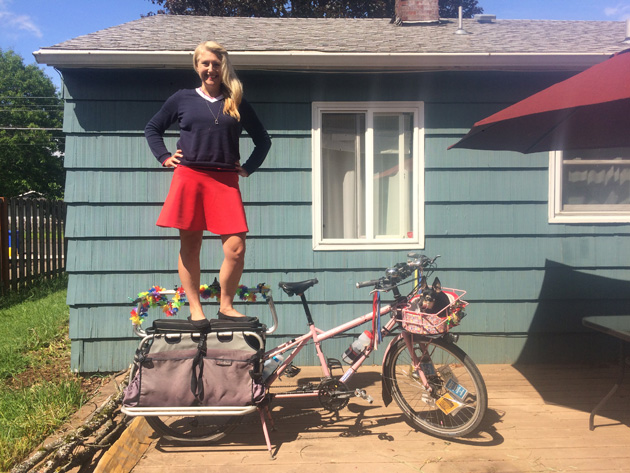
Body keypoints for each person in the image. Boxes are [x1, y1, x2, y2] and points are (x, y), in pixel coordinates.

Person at [145, 41, 271, 328]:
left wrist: (248, 168)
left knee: (236, 249)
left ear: (222, 67)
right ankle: (196, 309)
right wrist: (164, 156)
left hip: (225, 181)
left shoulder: (235, 100)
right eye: (205, 63)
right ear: (197, 66)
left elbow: (263, 139)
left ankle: (226, 306)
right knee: (191, 244)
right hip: (190, 177)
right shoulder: (182, 99)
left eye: (215, 64)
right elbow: (152, 128)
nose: (210, 69)